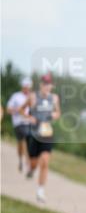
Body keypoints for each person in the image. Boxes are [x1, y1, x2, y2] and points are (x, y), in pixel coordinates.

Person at [22, 73, 61, 203]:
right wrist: (29, 117)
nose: (46, 86)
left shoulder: (54, 98)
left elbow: (58, 112)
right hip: (34, 134)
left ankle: (40, 191)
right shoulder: (33, 97)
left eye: (48, 84)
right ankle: (31, 170)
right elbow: (22, 109)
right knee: (34, 163)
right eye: (44, 84)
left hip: (47, 133)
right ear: (41, 85)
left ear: (52, 85)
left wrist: (55, 115)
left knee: (44, 161)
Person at [6, 76, 34, 172]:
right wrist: (17, 109)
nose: (27, 89)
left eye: (28, 87)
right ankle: (21, 160)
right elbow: (8, 110)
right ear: (23, 87)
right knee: (21, 142)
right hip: (18, 123)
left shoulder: (32, 97)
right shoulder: (16, 96)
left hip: (29, 122)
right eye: (25, 87)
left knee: (27, 139)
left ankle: (28, 163)